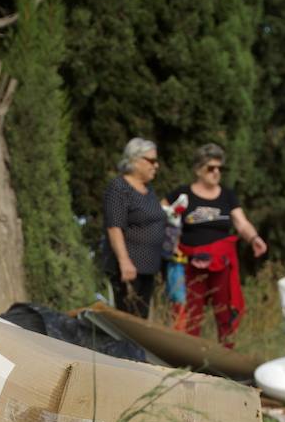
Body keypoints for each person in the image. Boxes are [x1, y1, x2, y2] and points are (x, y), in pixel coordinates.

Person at [168, 143, 269, 346]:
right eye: (210, 168)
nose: (216, 172)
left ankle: (226, 360)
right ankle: (187, 358)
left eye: (219, 168)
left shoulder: (227, 195)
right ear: (198, 169)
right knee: (190, 315)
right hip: (190, 264)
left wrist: (254, 238)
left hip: (222, 264)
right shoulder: (183, 194)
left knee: (225, 313)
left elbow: (241, 222)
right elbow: (164, 217)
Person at [103, 137, 167, 318]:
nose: (156, 166)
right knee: (127, 322)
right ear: (135, 160)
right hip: (129, 270)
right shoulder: (119, 187)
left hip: (148, 269)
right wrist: (124, 261)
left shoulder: (149, 190)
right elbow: (114, 227)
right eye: (151, 161)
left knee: (141, 321)